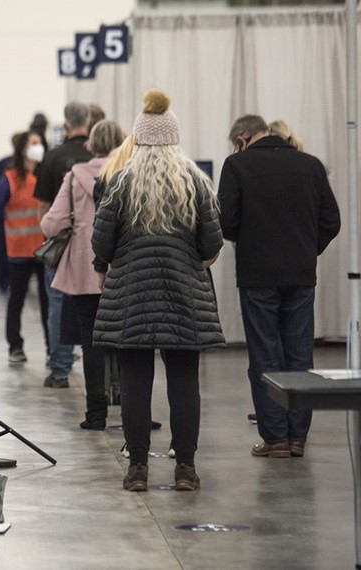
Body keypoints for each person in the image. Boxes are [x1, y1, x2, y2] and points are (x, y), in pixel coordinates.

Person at [92, 90, 225, 492]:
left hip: (133, 295)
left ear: (139, 138)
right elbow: (212, 243)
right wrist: (194, 260)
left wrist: (124, 257)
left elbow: (101, 244)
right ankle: (185, 467)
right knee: (185, 382)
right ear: (174, 137)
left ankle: (137, 469)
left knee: (135, 382)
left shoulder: (121, 183)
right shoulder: (195, 183)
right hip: (185, 295)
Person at [218, 114, 340, 459]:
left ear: (242, 137)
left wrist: (251, 239)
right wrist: (306, 248)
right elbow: (332, 220)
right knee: (300, 353)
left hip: (258, 274)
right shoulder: (310, 165)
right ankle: (298, 437)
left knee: (265, 354)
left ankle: (275, 438)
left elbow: (225, 221)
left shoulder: (237, 165)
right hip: (300, 274)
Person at [41, 120, 125, 425]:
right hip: (123, 267)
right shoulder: (129, 173)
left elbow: (51, 223)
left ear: (92, 144)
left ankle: (96, 412)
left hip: (83, 267)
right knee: (128, 340)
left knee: (91, 341)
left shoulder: (75, 176)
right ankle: (130, 408)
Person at [34, 102, 94, 387]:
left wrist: (48, 237)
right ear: (90, 122)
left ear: (66, 126)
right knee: (102, 306)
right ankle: (108, 376)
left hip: (61, 242)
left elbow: (44, 206)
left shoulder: (52, 157)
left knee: (58, 302)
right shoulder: (99, 156)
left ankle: (60, 369)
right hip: (99, 244)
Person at [0, 130, 49, 363]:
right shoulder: (10, 178)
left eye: (39, 143)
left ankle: (52, 348)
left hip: (45, 250)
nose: (39, 147)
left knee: (49, 302)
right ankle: (15, 345)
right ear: (23, 149)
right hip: (19, 250)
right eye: (34, 143)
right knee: (17, 299)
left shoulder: (46, 175)